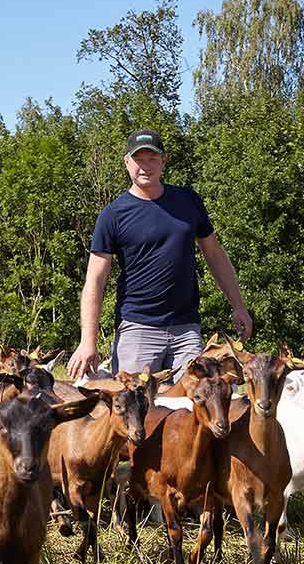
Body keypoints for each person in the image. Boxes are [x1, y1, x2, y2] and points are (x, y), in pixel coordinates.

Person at [68, 130, 252, 380]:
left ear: (163, 162)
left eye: (152, 159)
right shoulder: (113, 215)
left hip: (187, 331)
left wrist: (239, 305)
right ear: (126, 163)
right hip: (137, 330)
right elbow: (95, 280)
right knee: (135, 411)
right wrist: (87, 341)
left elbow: (215, 255)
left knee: (198, 409)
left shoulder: (188, 201)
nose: (145, 166)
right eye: (139, 159)